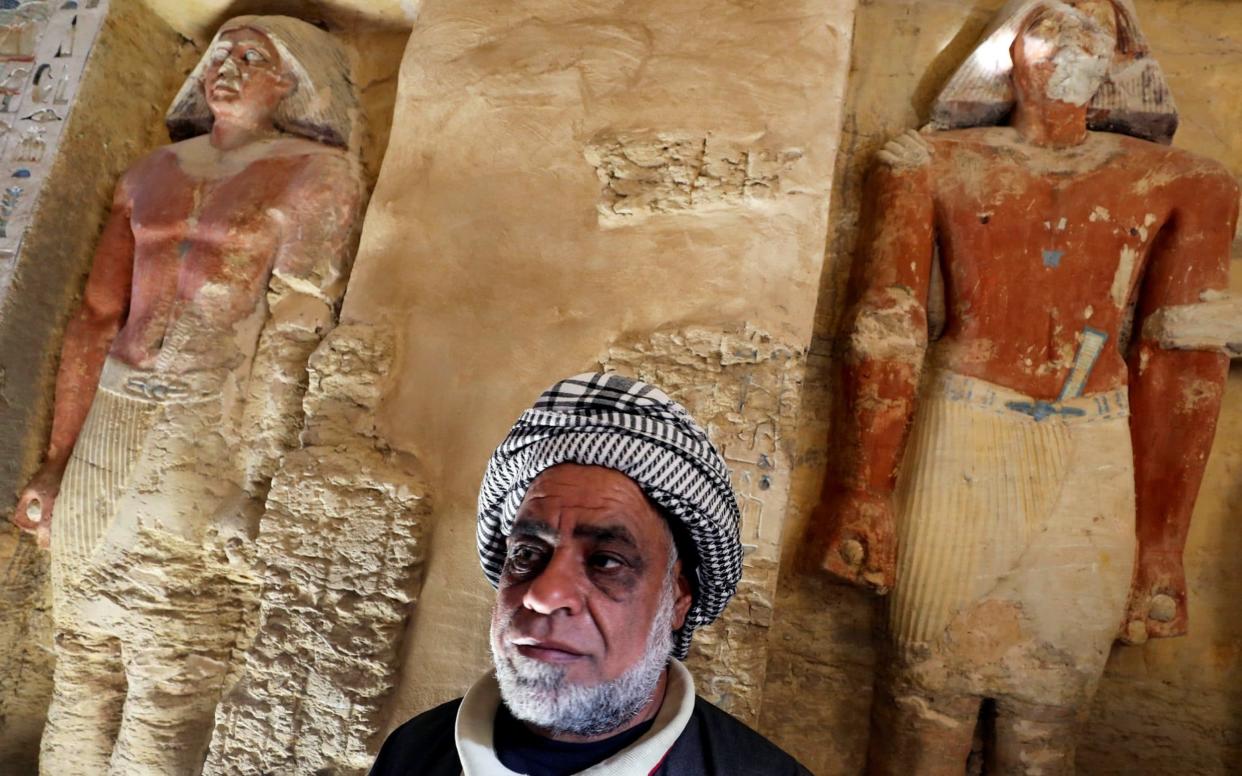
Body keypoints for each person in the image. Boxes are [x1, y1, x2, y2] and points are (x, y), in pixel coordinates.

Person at [817, 0, 1239, 772]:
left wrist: (1163, 546)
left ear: (1121, 58)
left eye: (1094, 30)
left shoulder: (1189, 184)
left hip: (1094, 444)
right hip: (963, 430)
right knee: (925, 706)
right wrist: (863, 491)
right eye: (1050, 24)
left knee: (1048, 726)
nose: (1073, 41)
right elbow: (887, 327)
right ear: (1010, 52)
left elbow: (1185, 361)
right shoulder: (928, 162)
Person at [8, 16, 360, 773]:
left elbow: (295, 330)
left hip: (206, 422)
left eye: (253, 56)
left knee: (166, 662)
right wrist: (56, 460)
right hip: (113, 408)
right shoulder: (147, 174)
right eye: (219, 53)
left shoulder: (315, 174)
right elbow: (97, 316)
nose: (226, 68)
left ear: (295, 80)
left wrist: (259, 476)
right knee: (81, 653)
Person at [371, 373, 811, 775]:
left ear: (678, 597)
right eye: (526, 553)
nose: (544, 595)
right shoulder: (413, 754)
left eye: (605, 561)